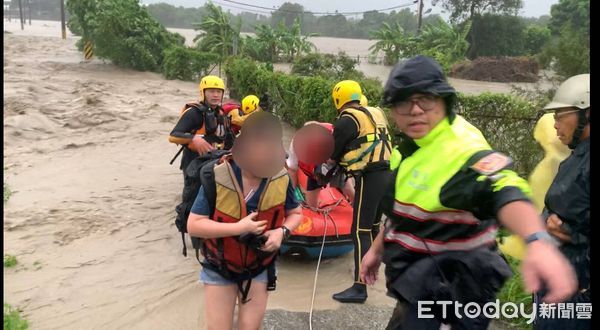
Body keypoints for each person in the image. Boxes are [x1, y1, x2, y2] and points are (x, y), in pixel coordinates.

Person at [359, 55, 578, 329]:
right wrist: (377, 250)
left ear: (444, 101)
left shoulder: (462, 151)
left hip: (461, 286)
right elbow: (402, 211)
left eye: (425, 99)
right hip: (418, 283)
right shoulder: (409, 149)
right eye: (403, 101)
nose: (415, 110)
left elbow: (503, 188)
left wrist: (536, 239)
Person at [187, 111, 303, 330]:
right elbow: (193, 224)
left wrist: (281, 232)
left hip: (259, 264)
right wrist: (238, 227)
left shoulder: (281, 179)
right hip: (219, 265)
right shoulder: (217, 177)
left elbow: (296, 213)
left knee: (250, 327)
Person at [534, 74, 589, 330]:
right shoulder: (578, 157)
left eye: (559, 116)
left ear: (586, 114)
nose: (554, 125)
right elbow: (556, 208)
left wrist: (574, 235)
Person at [330, 80, 394, 303]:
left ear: (338, 99)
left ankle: (360, 286)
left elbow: (333, 152)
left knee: (359, 231)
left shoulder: (347, 119)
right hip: (387, 175)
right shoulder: (375, 113)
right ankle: (389, 271)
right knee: (375, 226)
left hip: (370, 176)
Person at [169, 75, 235, 256]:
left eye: (219, 92)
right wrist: (193, 139)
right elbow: (173, 135)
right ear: (203, 93)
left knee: (214, 201)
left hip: (214, 164)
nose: (215, 95)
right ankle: (195, 242)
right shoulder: (194, 113)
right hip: (193, 166)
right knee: (193, 201)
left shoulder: (221, 113)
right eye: (212, 91)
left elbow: (228, 139)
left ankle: (211, 239)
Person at [286, 121, 355, 208]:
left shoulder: (335, 133)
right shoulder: (295, 146)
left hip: (334, 165)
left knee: (348, 188)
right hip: (314, 173)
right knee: (312, 205)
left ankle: (356, 206)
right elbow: (292, 170)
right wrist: (293, 193)